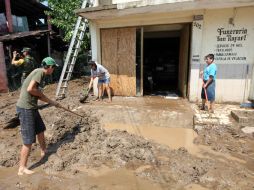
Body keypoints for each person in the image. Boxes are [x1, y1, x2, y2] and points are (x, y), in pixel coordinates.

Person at [16, 57, 61, 175]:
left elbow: (38, 94)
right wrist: (49, 99)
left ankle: (43, 150)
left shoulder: (37, 71)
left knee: (40, 129)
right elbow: (31, 89)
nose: (53, 70)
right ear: (50, 67)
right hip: (26, 109)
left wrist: (52, 102)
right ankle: (22, 168)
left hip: (32, 107)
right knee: (28, 140)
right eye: (54, 68)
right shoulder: (40, 73)